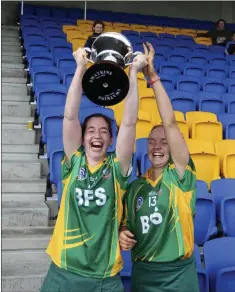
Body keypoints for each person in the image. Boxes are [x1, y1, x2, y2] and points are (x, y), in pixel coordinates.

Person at [40, 47, 147, 292]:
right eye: (90, 130)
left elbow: (129, 122)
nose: (96, 135)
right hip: (64, 269)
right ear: (82, 137)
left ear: (110, 140)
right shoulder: (73, 162)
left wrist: (133, 74)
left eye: (103, 131)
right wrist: (80, 67)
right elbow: (69, 116)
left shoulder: (117, 169)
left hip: (104, 276)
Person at [119, 43, 199, 292]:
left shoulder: (181, 176)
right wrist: (122, 232)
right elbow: (125, 226)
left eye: (164, 142)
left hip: (180, 274)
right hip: (144, 273)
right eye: (152, 141)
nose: (157, 146)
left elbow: (171, 123)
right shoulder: (134, 188)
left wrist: (152, 77)